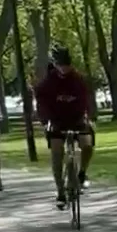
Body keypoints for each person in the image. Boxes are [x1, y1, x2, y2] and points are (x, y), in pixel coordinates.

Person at [35, 45, 94, 209]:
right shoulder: (48, 82)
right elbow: (41, 102)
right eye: (61, 65)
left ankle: (81, 173)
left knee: (87, 144)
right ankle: (61, 191)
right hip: (56, 121)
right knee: (57, 152)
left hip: (76, 118)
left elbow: (86, 99)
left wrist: (88, 116)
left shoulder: (78, 79)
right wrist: (46, 119)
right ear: (55, 65)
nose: (65, 68)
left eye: (67, 65)